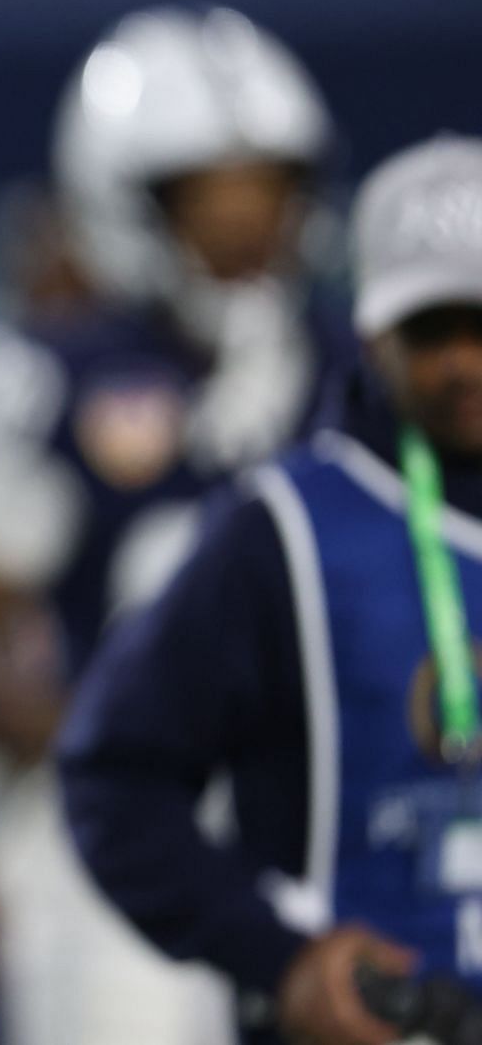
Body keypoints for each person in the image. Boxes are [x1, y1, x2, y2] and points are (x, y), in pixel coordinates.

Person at [0, 6, 347, 1045]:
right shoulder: (59, 371)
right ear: (130, 203)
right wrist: (108, 746)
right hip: (136, 827)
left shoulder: (357, 364)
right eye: (215, 197)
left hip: (329, 801)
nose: (250, 226)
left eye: (269, 190)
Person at [61, 133, 482, 1045]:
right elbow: (111, 773)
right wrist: (276, 958)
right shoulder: (285, 528)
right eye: (433, 328)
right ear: (373, 331)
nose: (465, 364)